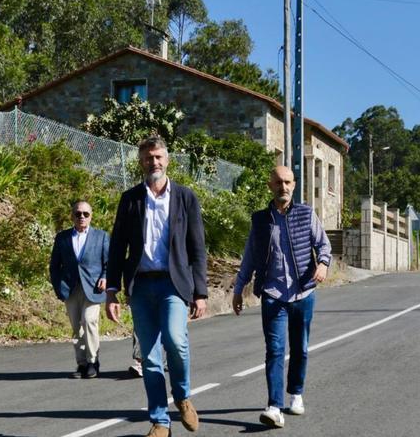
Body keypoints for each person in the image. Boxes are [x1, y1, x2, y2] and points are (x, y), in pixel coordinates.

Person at [106, 135, 208, 437]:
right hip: (141, 286)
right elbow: (117, 248)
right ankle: (160, 421)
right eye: (149, 157)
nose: (155, 162)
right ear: (141, 161)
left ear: (168, 159)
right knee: (148, 357)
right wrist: (112, 289)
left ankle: (182, 396)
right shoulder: (130, 199)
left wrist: (200, 292)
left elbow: (197, 248)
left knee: (176, 341)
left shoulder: (186, 197)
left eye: (159, 157)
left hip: (173, 284)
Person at [232, 165, 332, 428]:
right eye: (278, 182)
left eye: (287, 182)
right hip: (273, 293)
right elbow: (249, 257)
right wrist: (239, 289)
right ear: (270, 186)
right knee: (275, 350)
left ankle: (295, 393)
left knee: (300, 347)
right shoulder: (260, 220)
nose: (283, 187)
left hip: (303, 292)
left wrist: (322, 264)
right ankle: (274, 406)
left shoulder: (306, 214)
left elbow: (323, 244)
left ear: (294, 185)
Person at [49, 200, 109, 379]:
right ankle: (81, 364)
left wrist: (105, 277)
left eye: (85, 214)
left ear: (91, 216)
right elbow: (54, 265)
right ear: (72, 216)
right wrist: (58, 286)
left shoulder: (102, 236)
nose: (81, 217)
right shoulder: (62, 238)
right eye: (78, 214)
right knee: (77, 327)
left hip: (93, 288)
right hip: (71, 288)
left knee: (89, 321)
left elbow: (109, 262)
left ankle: (93, 362)